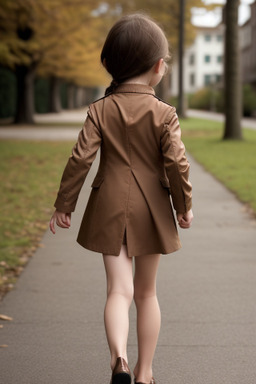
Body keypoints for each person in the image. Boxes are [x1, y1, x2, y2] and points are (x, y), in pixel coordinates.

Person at [49, 13, 193, 384]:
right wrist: (184, 206)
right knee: (146, 294)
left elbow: (80, 157)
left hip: (108, 205)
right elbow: (177, 163)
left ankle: (120, 361)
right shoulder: (165, 113)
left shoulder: (100, 109)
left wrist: (65, 204)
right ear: (159, 67)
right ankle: (145, 374)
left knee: (118, 290)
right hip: (152, 210)